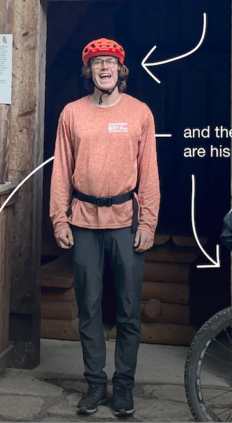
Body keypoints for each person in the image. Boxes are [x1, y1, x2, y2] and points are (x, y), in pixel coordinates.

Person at [49, 38, 160, 418]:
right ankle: (95, 384)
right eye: (97, 63)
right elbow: (60, 169)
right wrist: (58, 218)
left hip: (126, 223)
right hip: (82, 221)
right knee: (89, 307)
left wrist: (148, 222)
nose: (105, 67)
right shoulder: (71, 114)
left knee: (129, 308)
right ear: (89, 72)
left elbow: (149, 175)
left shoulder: (140, 113)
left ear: (121, 70)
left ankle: (124, 386)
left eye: (111, 62)